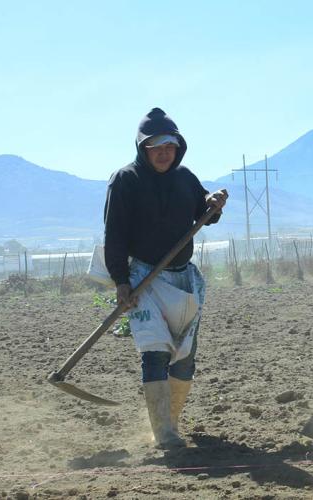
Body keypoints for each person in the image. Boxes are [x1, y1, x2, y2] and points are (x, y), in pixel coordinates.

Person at [104, 107, 228, 448]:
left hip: (183, 280)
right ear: (142, 149)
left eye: (169, 146)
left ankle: (171, 422)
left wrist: (211, 202)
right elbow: (113, 235)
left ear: (178, 147)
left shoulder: (184, 177)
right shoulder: (125, 181)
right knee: (155, 352)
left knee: (185, 356)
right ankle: (164, 433)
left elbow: (204, 213)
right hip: (144, 278)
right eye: (155, 146)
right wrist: (121, 282)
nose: (163, 153)